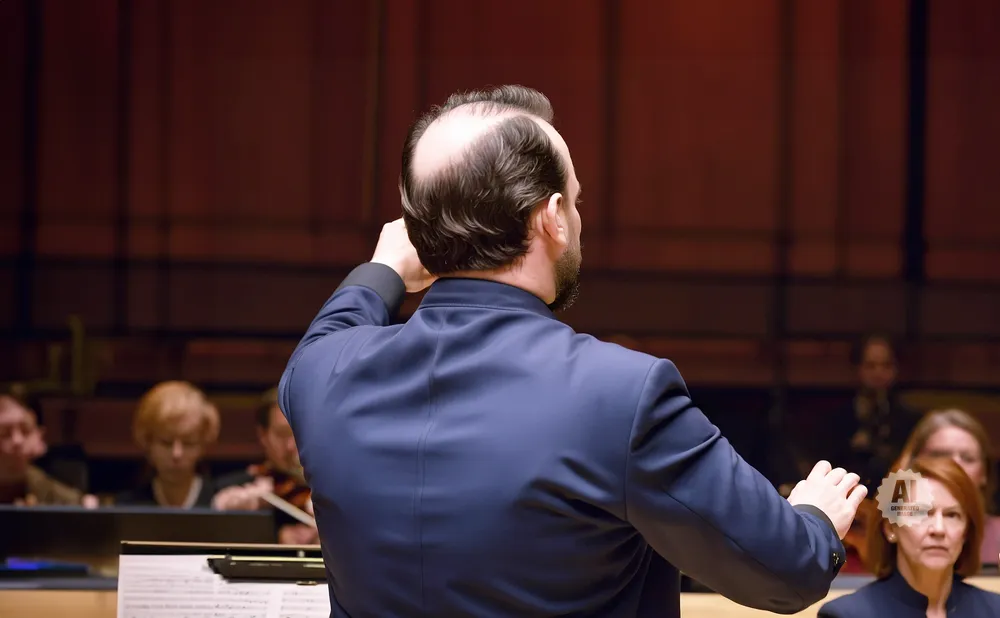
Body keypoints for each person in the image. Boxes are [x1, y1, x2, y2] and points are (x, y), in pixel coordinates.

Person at [278, 85, 865, 617]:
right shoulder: (622, 394)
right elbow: (786, 573)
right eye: (575, 201)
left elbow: (333, 328)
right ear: (553, 217)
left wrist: (383, 271)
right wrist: (815, 521)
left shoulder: (322, 376)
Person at [818, 457, 1000, 617]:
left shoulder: (995, 610)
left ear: (967, 532)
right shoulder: (846, 615)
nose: (938, 529)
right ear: (891, 528)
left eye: (952, 515)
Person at [212, 387, 318, 545]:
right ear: (263, 435)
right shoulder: (237, 488)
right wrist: (272, 538)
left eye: (298, 433)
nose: (290, 446)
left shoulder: (328, 489)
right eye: (282, 434)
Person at [898, 408, 1000, 566]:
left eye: (967, 458)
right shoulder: (896, 530)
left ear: (984, 473)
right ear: (914, 465)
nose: (955, 465)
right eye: (940, 455)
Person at [115, 381, 221, 508]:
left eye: (188, 443)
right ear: (148, 442)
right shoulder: (126, 507)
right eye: (166, 442)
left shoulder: (221, 504)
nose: (177, 454)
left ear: (203, 445)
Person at [0, 394, 98, 507]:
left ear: (40, 438)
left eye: (25, 431)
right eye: (4, 433)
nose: (17, 441)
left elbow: (81, 504)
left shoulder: (43, 486)